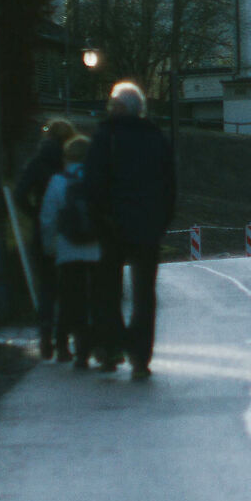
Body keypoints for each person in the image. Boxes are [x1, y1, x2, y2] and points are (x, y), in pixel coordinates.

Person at [81, 82, 176, 380]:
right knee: (144, 292)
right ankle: (140, 355)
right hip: (148, 226)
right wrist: (162, 221)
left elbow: (92, 183)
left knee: (107, 289)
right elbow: (169, 185)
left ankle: (110, 347)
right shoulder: (155, 137)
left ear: (118, 107)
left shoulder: (105, 136)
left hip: (112, 225)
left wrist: (99, 218)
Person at [14, 119, 77, 360]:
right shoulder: (70, 162)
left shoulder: (37, 162)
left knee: (47, 287)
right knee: (69, 288)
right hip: (71, 231)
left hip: (44, 231)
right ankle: (64, 343)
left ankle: (45, 339)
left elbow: (20, 195)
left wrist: (35, 214)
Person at [34, 135, 99, 371]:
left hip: (67, 250)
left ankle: (62, 347)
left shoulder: (58, 181)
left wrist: (49, 247)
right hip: (95, 250)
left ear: (67, 157)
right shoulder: (96, 179)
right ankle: (87, 350)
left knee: (70, 299)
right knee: (93, 301)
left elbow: (48, 218)